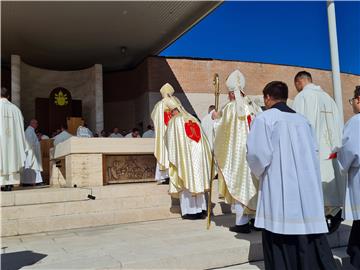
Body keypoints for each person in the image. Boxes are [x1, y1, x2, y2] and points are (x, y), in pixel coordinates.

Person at [246, 81, 336, 270]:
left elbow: (257, 155)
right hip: (305, 188)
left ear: (268, 98)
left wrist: (257, 172)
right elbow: (314, 151)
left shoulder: (265, 119)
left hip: (279, 186)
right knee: (304, 231)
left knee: (280, 228)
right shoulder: (303, 121)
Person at [292, 71, 344, 232]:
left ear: (299, 82)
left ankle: (318, 219)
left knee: (314, 186)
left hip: (314, 152)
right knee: (330, 182)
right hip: (332, 151)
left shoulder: (302, 98)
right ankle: (333, 213)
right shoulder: (329, 99)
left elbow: (298, 128)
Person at [212, 70, 262, 233]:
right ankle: (256, 221)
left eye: (228, 93)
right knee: (254, 186)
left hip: (239, 155)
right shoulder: (253, 107)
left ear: (232, 93)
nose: (227, 96)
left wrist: (215, 119)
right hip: (256, 154)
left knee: (241, 184)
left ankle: (241, 223)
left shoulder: (231, 108)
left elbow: (220, 130)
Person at [164, 96, 212, 219]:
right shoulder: (193, 119)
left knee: (186, 182)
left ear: (173, 110)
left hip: (185, 158)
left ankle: (191, 212)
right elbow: (204, 140)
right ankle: (201, 210)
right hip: (198, 157)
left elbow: (170, 142)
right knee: (197, 181)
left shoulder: (174, 121)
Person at [337, 86, 360, 269]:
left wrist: (339, 162)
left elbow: (350, 151)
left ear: (358, 100)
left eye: (352, 101)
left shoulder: (356, 121)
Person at [151, 83, 180, 184]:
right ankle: (174, 176)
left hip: (163, 136)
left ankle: (164, 177)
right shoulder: (175, 103)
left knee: (164, 153)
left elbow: (154, 117)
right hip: (173, 134)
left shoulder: (159, 105)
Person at [0, 87, 27, 191]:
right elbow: (20, 130)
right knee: (12, 157)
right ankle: (9, 183)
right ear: (8, 96)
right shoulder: (16, 110)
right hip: (12, 143)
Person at [21, 119, 43, 186]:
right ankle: (36, 181)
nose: (37, 125)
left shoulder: (30, 130)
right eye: (36, 124)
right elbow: (30, 142)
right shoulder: (29, 131)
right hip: (31, 152)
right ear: (32, 124)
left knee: (31, 167)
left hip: (32, 152)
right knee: (33, 166)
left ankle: (28, 182)